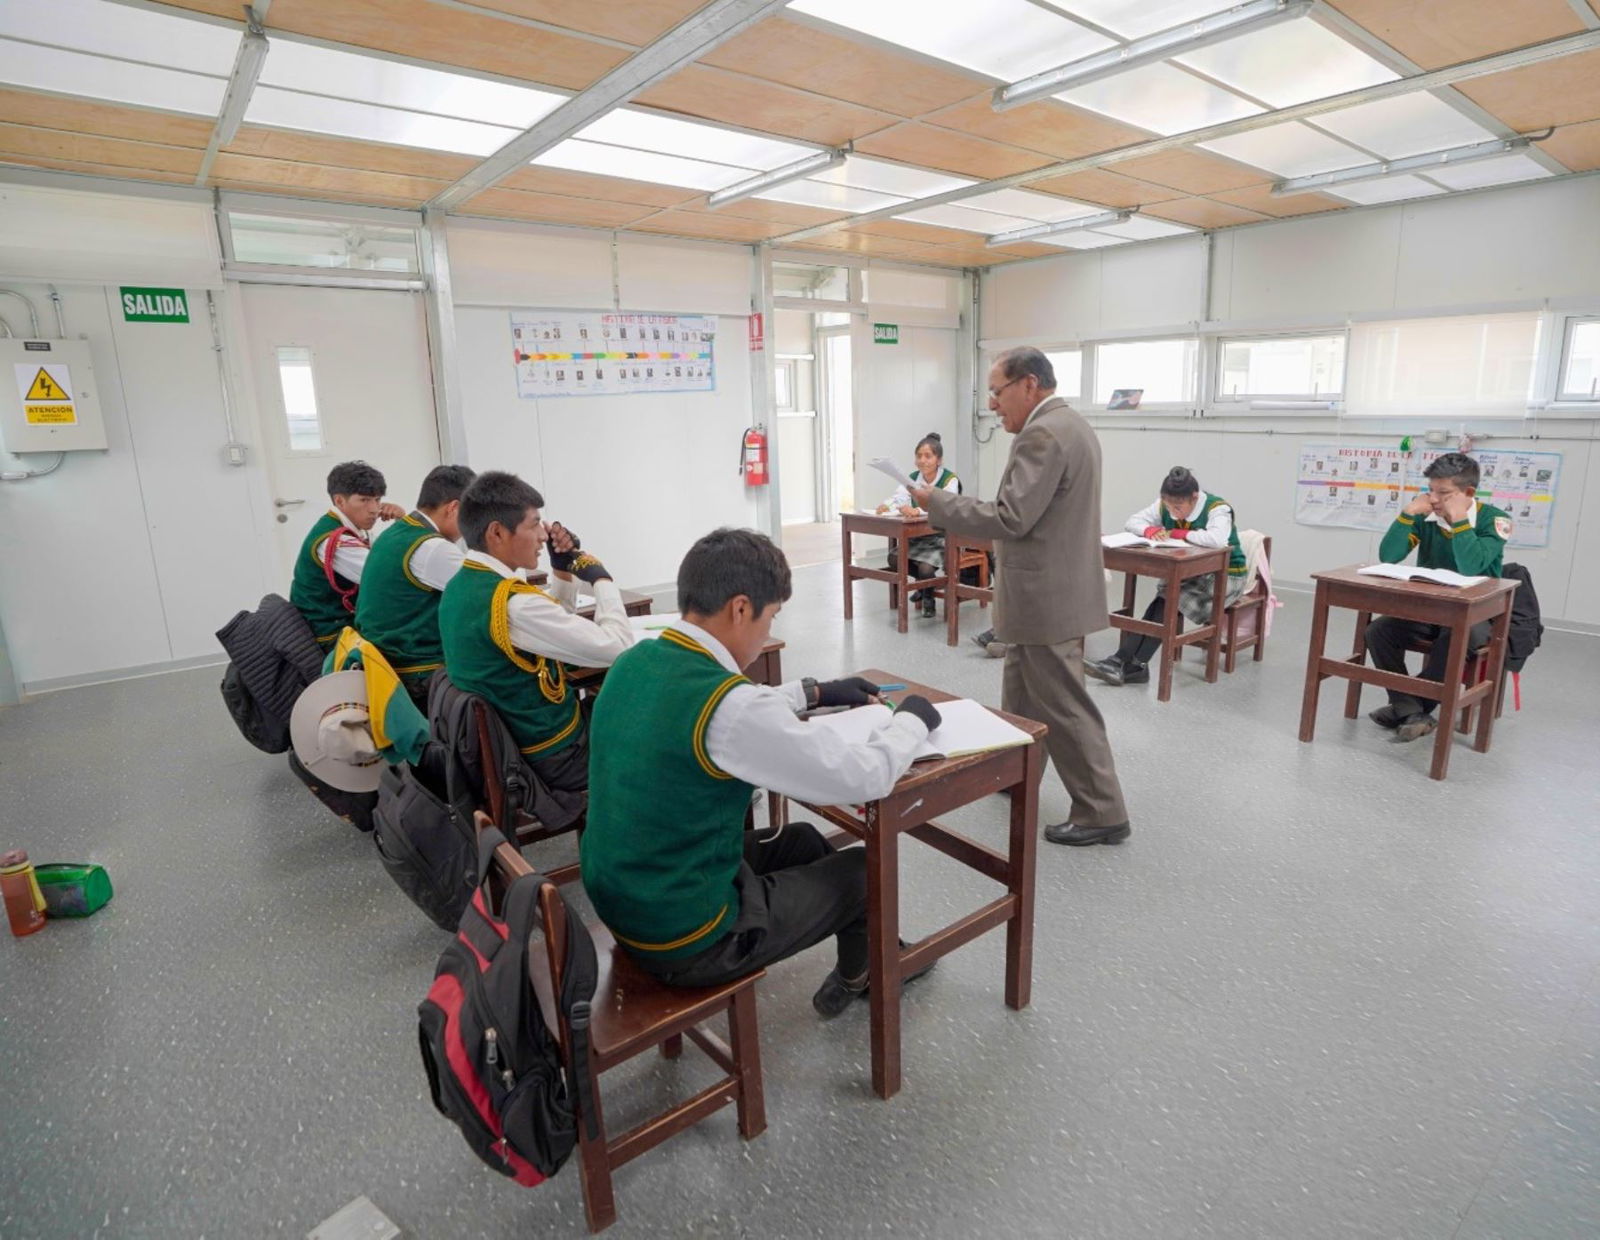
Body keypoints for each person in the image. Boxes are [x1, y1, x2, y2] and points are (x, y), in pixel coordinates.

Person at [580, 528, 943, 1017]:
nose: (769, 631)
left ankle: (867, 960)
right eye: (771, 617)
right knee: (862, 872)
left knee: (803, 842)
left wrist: (813, 693)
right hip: (685, 939)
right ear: (741, 608)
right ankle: (870, 969)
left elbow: (717, 715)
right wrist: (911, 721)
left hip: (628, 896)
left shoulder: (635, 660)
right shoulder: (730, 705)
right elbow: (864, 775)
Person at [912, 347, 1129, 847]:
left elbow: (1011, 517)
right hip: (1048, 590)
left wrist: (938, 502)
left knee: (1063, 704)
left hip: (1047, 596)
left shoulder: (1043, 433)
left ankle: (1102, 810)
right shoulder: (1069, 424)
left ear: (1029, 384)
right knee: (1023, 695)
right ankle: (1017, 773)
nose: (992, 403)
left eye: (997, 390)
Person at [437, 471, 631, 793]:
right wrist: (602, 580)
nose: (543, 536)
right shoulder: (513, 603)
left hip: (514, 745)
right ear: (497, 533)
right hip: (555, 757)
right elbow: (618, 646)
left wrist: (561, 571)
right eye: (533, 524)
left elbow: (546, 628)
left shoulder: (464, 583)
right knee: (657, 721)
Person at [1365, 452, 1510, 743]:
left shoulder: (1495, 520)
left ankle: (1410, 707)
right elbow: (1389, 556)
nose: (1433, 499)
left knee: (1456, 637)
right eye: (1431, 490)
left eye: (1443, 493)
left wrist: (1458, 521)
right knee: (1378, 631)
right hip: (1432, 608)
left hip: (1477, 614)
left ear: (1468, 492)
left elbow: (1472, 566)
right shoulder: (1428, 518)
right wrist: (1408, 514)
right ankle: (1411, 710)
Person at [1085, 466, 1249, 687]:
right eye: (1169, 506)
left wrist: (1179, 533)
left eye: (1179, 507)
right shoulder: (1165, 505)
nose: (1173, 512)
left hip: (1225, 577)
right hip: (1191, 573)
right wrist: (1148, 531)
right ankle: (1130, 664)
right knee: (1166, 598)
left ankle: (1126, 662)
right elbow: (1133, 521)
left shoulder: (1218, 509)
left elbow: (1217, 539)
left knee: (1169, 599)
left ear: (1194, 497)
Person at [353, 464, 476, 706]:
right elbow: (491, 593)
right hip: (417, 673)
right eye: (472, 517)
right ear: (454, 508)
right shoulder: (433, 549)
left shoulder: (400, 531)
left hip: (387, 662)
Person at [290, 460, 404, 646]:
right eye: (364, 500)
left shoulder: (351, 527)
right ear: (339, 501)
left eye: (377, 500)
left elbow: (385, 557)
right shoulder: (336, 540)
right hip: (330, 635)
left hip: (343, 624)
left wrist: (400, 522)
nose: (375, 509)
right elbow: (389, 579)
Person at [877, 431, 961, 618]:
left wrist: (919, 511)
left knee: (925, 568)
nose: (922, 461)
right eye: (919, 456)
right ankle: (925, 588)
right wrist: (888, 505)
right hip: (918, 536)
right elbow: (899, 497)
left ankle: (927, 598)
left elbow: (945, 506)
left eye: (928, 456)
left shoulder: (949, 480)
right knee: (894, 559)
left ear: (939, 460)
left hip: (942, 537)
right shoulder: (913, 477)